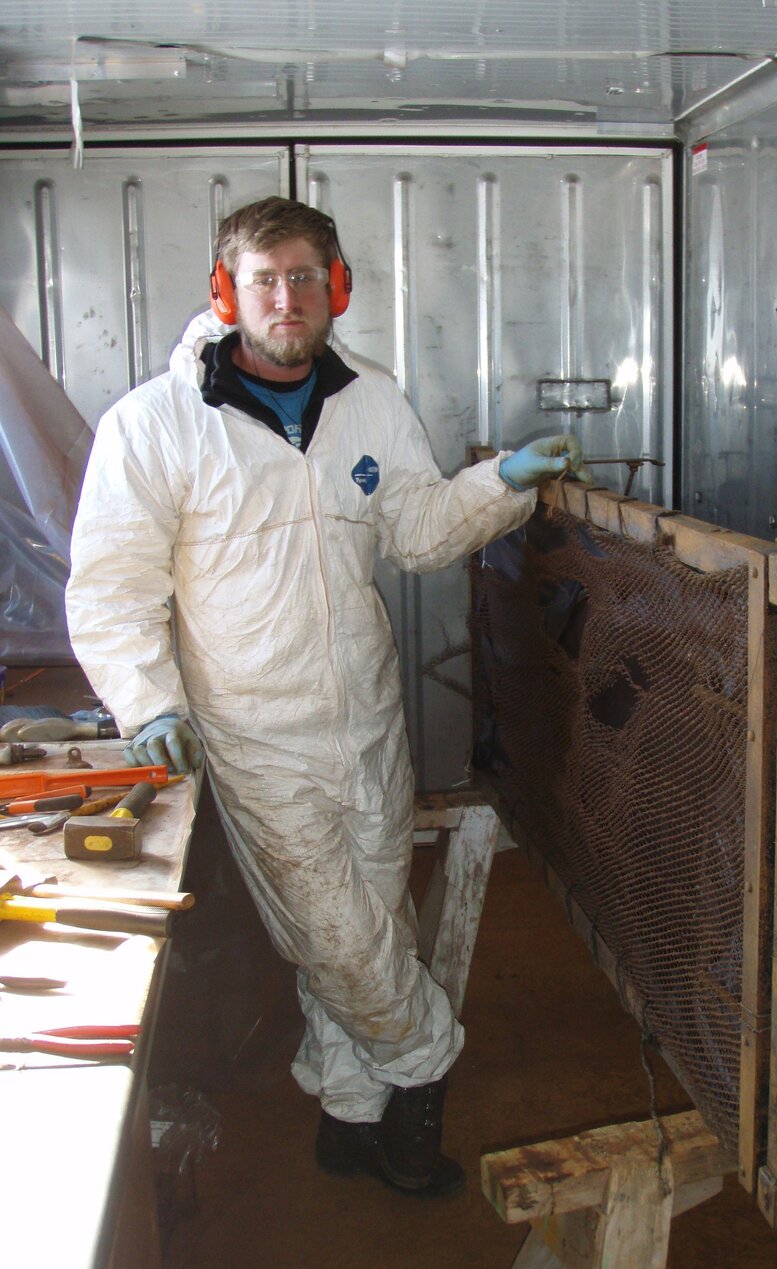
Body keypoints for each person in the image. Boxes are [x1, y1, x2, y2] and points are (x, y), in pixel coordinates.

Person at [65, 195, 591, 1197]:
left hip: (368, 716)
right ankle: (424, 1067)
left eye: (306, 276)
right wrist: (151, 701)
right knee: (339, 936)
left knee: (371, 922)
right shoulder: (156, 424)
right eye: (264, 278)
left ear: (336, 287)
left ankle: (347, 1116)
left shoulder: (372, 400)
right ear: (225, 291)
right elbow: (113, 587)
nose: (287, 297)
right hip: (255, 732)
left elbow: (419, 532)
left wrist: (502, 482)